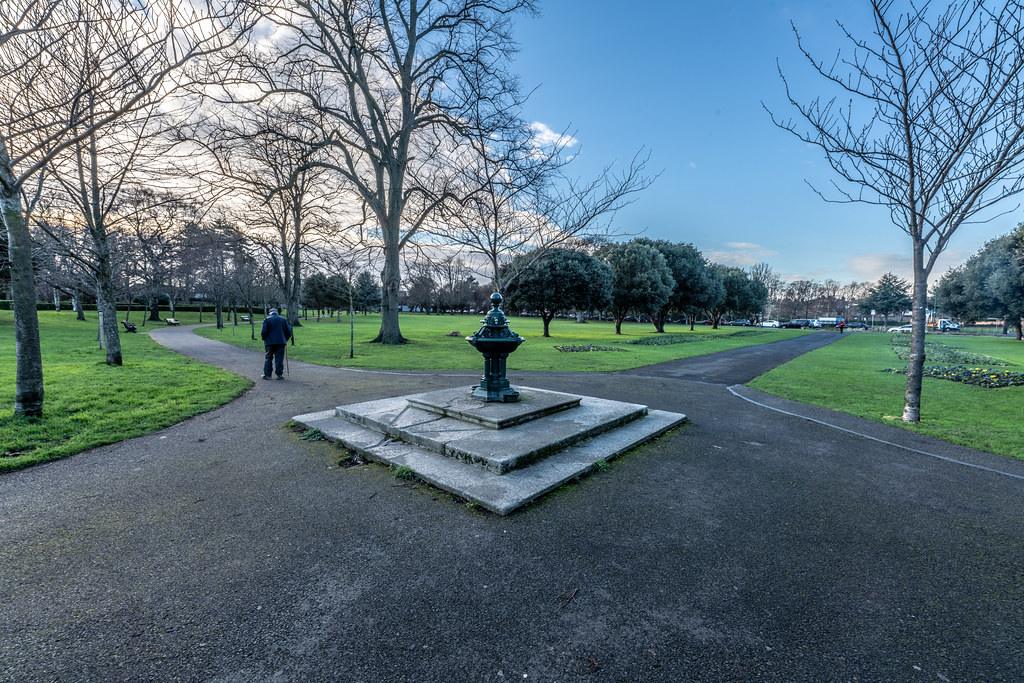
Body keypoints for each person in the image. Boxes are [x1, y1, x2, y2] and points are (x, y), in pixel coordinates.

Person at [261, 309, 292, 380]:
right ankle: (279, 375)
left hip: (269, 342)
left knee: (268, 358)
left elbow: (264, 331)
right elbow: (289, 331)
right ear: (277, 313)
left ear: (270, 313)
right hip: (281, 342)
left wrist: (264, 338)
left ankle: (268, 375)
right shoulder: (283, 319)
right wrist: (286, 339)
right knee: (279, 358)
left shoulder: (267, 320)